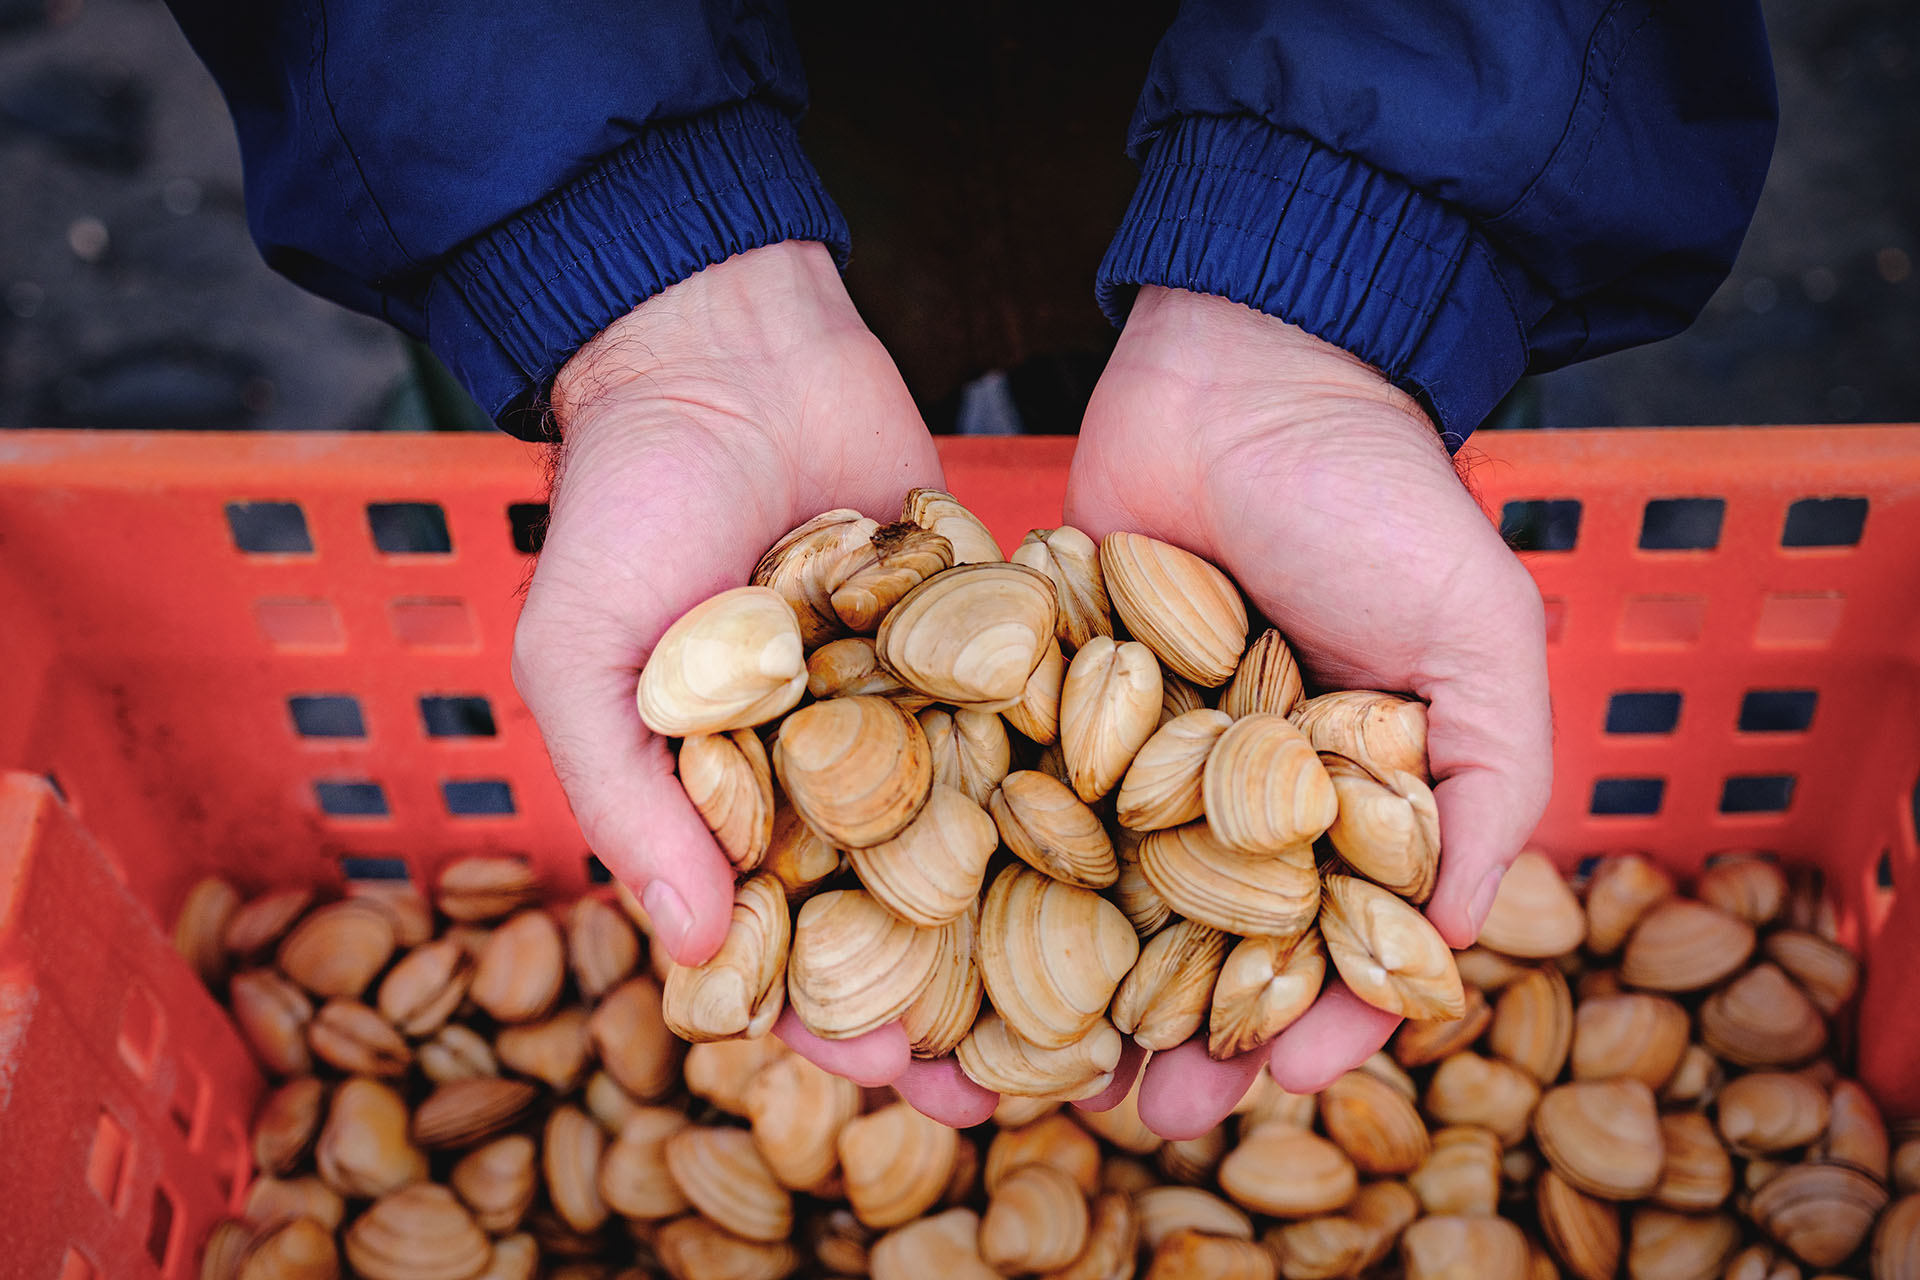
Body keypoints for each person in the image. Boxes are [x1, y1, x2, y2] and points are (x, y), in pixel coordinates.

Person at [164, 0, 1775, 1137]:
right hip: (601, 80)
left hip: (1340, 81)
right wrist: (605, 263)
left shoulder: (1118, 764)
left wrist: (1367, 257)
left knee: (1402, 470)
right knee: (566, 510)